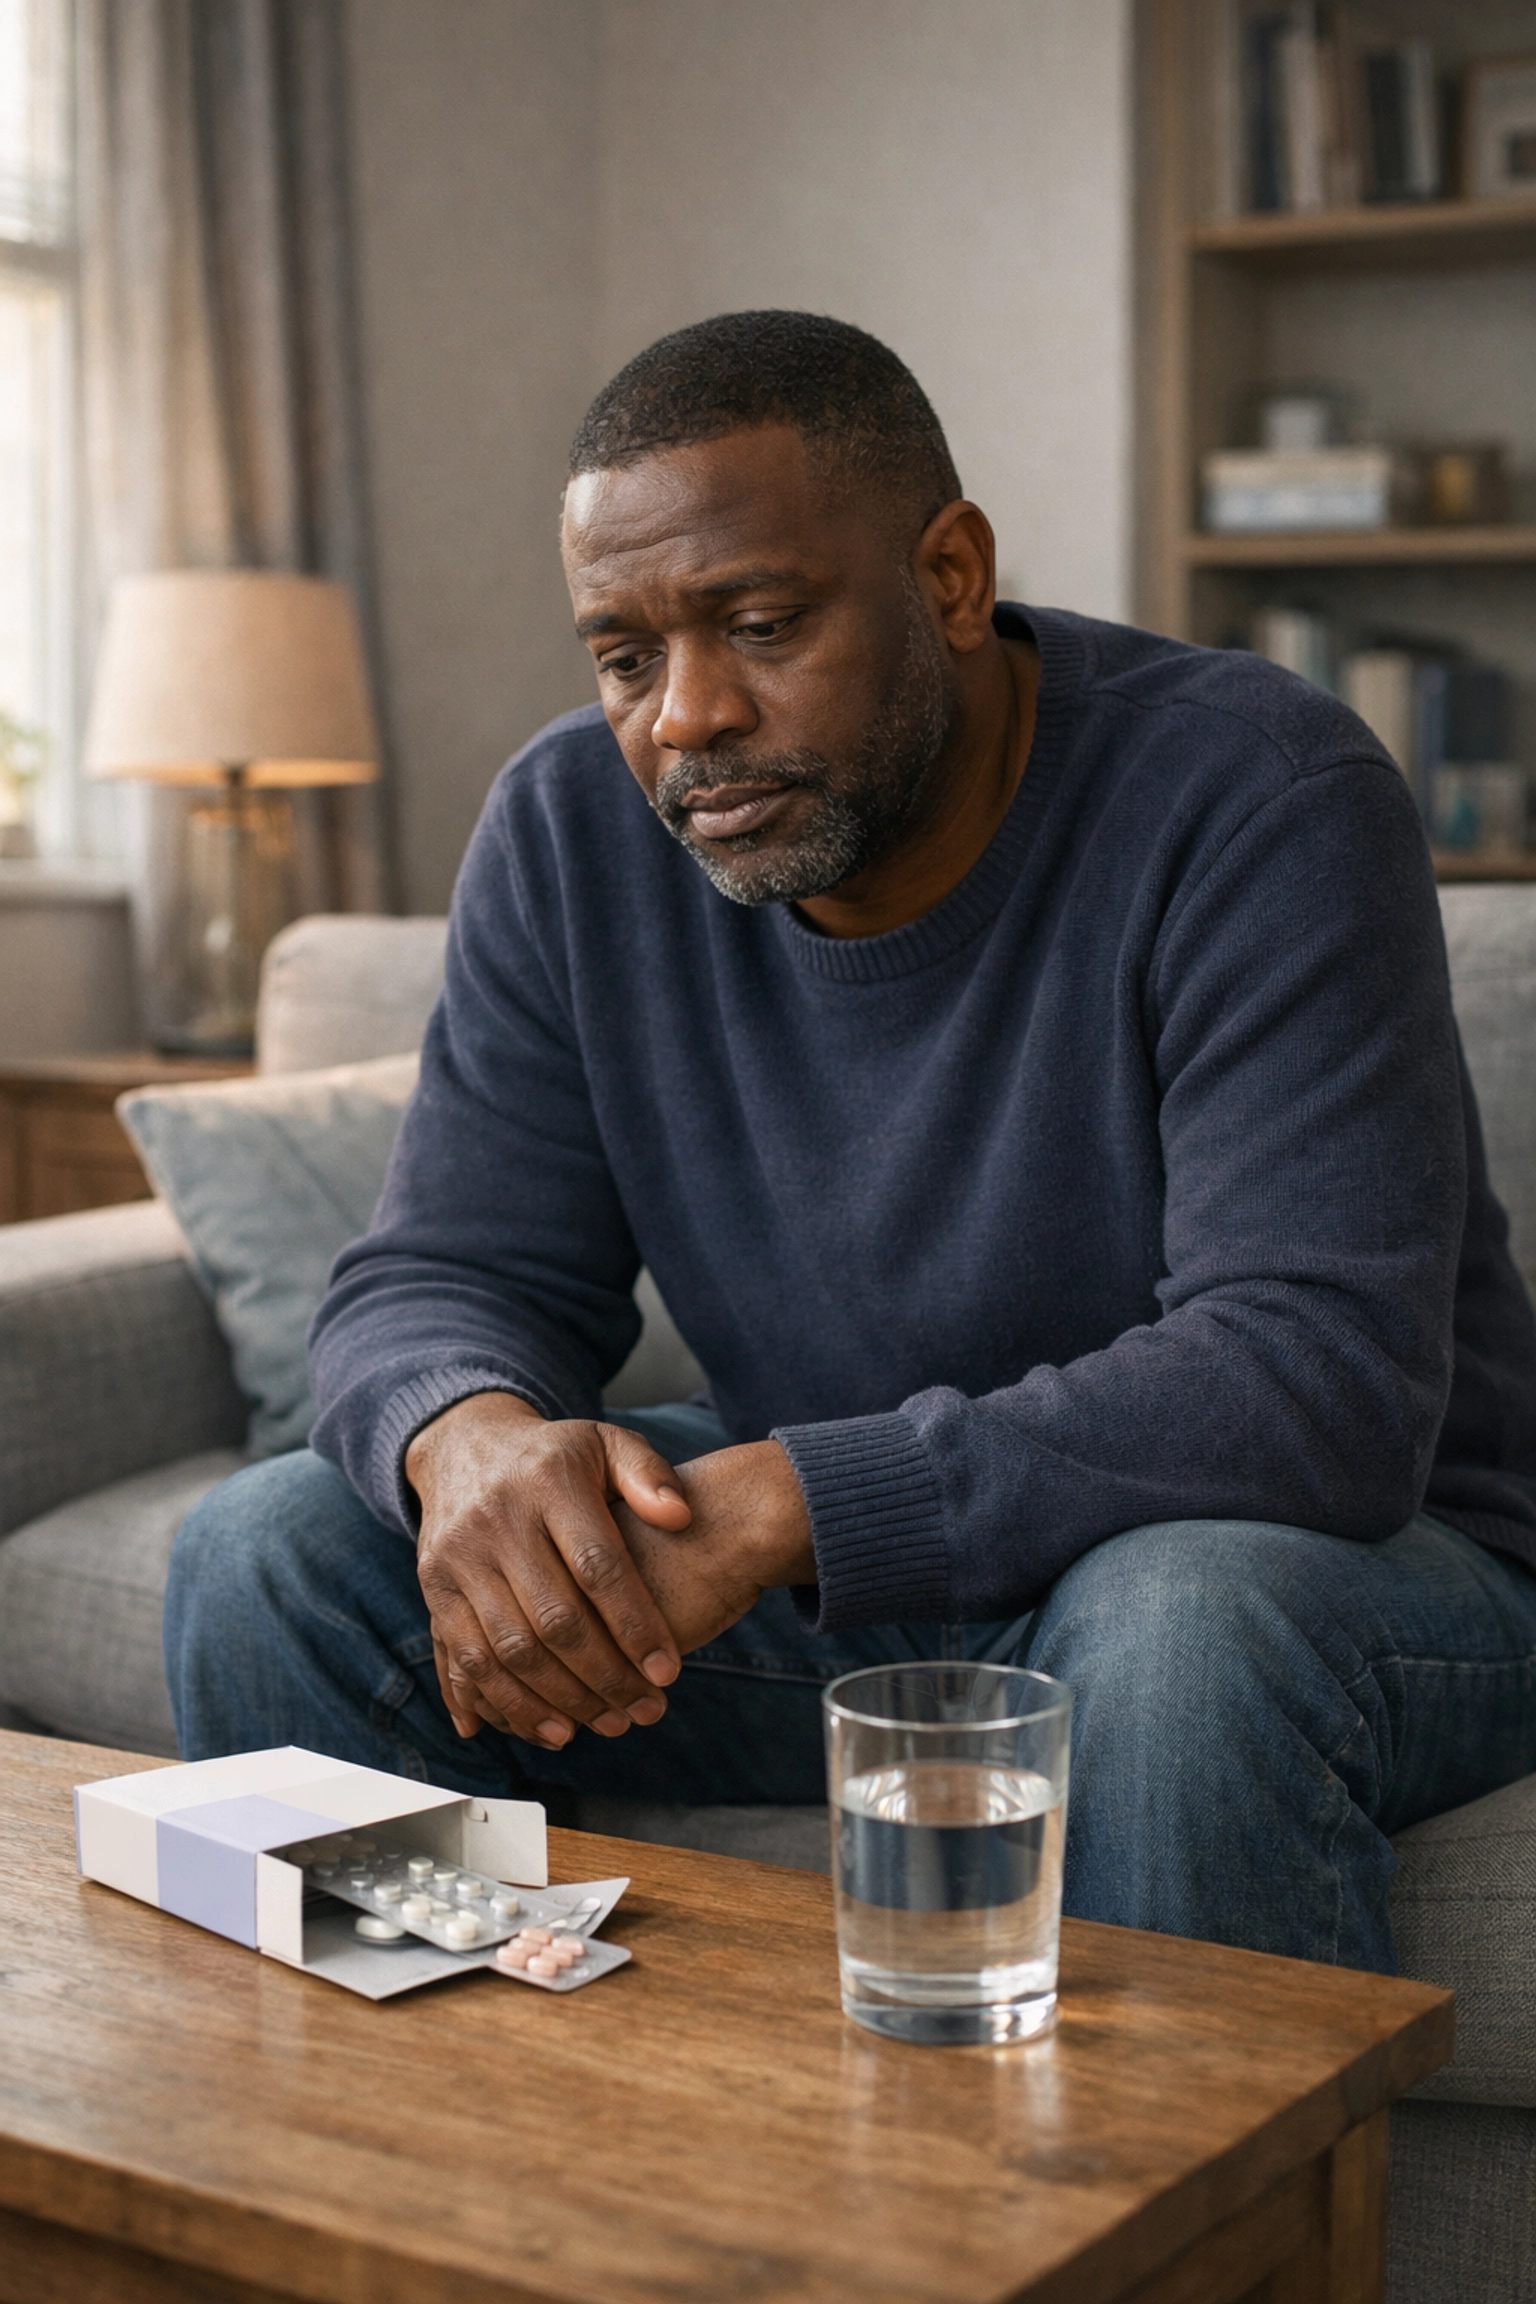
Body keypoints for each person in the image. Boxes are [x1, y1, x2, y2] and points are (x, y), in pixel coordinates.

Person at [165, 311, 1536, 1973]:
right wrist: (466, 1441)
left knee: (1181, 1629)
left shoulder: (1256, 794)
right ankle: (481, 2197)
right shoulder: (570, 829)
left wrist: (783, 1502)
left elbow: (1312, 1379)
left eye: (758, 622)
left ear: (949, 577)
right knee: (271, 1558)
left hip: (1339, 1573)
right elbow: (452, 1264)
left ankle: (1168, 2238)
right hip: (866, 1574)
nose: (687, 717)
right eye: (623, 655)